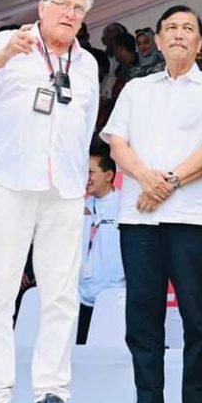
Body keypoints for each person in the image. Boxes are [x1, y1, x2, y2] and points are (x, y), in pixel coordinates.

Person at [0, 0, 99, 403]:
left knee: (60, 293)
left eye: (78, 10)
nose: (70, 15)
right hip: (9, 184)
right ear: (42, 6)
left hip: (64, 189)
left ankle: (52, 392)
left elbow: (86, 122)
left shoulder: (88, 63)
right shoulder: (10, 41)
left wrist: (76, 178)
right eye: (63, 5)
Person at [102, 4, 202, 403]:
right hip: (139, 219)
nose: (179, 34)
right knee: (143, 316)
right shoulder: (136, 88)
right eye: (171, 28)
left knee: (198, 318)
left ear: (200, 43)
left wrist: (169, 182)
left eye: (188, 29)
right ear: (157, 41)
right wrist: (146, 178)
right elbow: (116, 142)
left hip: (193, 219)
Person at [76, 148, 124, 345]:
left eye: (90, 172)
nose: (85, 177)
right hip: (80, 295)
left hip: (113, 293)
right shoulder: (79, 206)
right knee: (79, 353)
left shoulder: (124, 205)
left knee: (108, 353)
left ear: (109, 175)